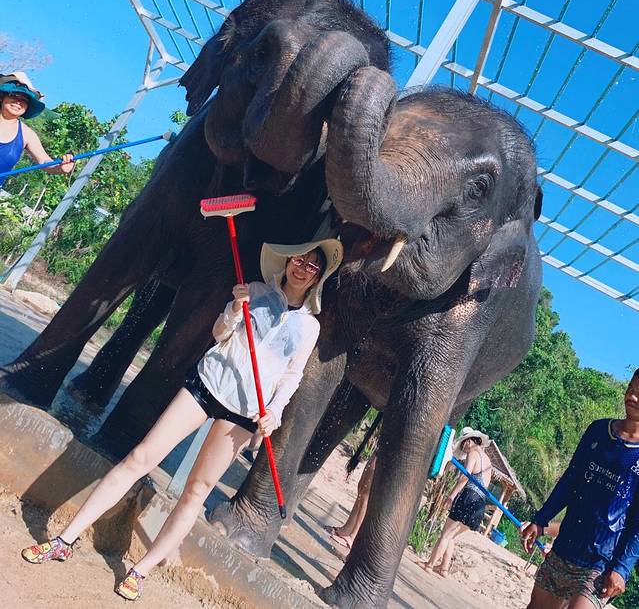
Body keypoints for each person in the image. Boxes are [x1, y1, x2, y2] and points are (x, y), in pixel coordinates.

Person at [21, 238, 343, 601]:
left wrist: (275, 411)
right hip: (207, 385)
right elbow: (219, 334)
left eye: (313, 266)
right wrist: (235, 309)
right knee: (140, 457)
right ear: (287, 261)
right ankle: (64, 540)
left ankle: (141, 570)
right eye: (300, 260)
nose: (303, 269)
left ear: (318, 277)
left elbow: (292, 375)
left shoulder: (309, 327)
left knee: (197, 490)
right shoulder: (253, 291)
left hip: (244, 411)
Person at [521, 369, 639, 609]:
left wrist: (622, 568)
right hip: (565, 547)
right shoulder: (599, 431)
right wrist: (541, 520)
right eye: (631, 389)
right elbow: (570, 480)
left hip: (602, 563)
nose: (632, 397)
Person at [418, 427, 492, 577]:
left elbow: (465, 477)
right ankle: (444, 568)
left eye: (463, 444)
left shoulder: (473, 453)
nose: (463, 448)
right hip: (479, 505)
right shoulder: (487, 459)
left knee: (445, 534)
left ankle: (429, 565)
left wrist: (451, 496)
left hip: (469, 498)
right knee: (451, 536)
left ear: (469, 441)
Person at [0, 71, 74, 182]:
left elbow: (45, 162)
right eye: (14, 95)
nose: (18, 102)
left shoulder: (27, 134)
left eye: (24, 100)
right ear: (2, 97)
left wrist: (60, 167)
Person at [328, 451, 377, 554]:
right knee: (361, 486)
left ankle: (353, 536)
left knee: (366, 493)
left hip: (388, 451)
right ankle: (347, 529)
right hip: (381, 447)